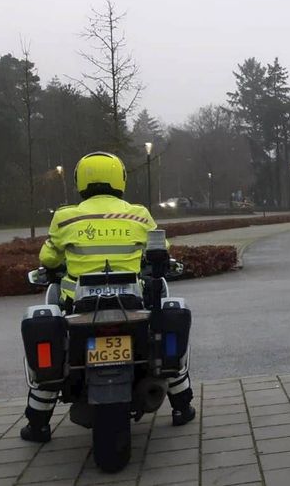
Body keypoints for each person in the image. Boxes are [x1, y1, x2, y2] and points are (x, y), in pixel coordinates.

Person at [20, 152, 196, 443]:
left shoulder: (65, 217)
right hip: (131, 302)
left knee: (54, 345)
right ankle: (181, 406)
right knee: (163, 331)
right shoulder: (138, 214)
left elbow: (48, 258)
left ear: (80, 181)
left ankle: (38, 424)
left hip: (79, 305)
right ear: (120, 179)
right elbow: (161, 248)